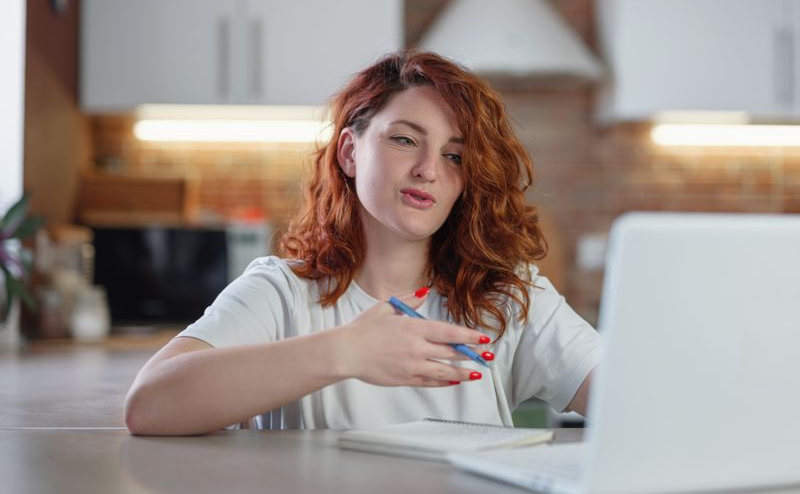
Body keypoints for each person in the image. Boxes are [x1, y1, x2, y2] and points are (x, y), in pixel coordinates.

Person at [124, 51, 600, 436]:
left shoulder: (506, 298)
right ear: (350, 152)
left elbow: (628, 400)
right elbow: (149, 406)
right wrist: (346, 352)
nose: (428, 170)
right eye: (405, 141)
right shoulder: (282, 292)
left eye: (454, 155)